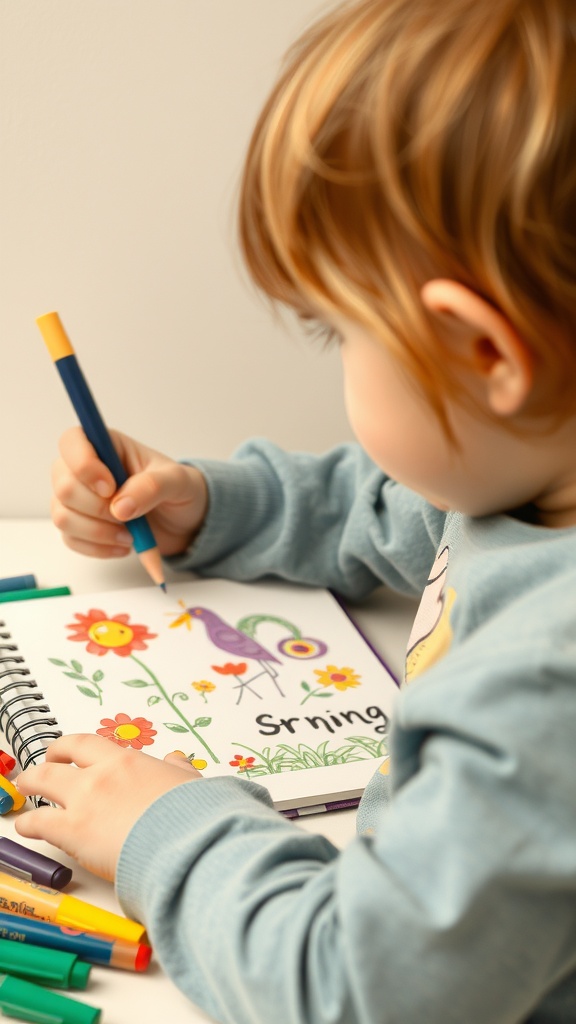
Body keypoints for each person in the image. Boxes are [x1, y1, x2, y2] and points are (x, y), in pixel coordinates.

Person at [14, 0, 576, 1020]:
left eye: (341, 334)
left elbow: (350, 990)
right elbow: (398, 503)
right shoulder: (533, 480)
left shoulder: (544, 694)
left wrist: (170, 824)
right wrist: (211, 505)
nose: (340, 366)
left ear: (487, 353)